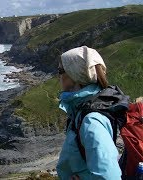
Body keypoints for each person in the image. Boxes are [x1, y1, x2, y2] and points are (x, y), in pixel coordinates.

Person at [56, 46, 124, 179]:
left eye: (60, 70)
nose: (58, 76)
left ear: (74, 74)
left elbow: (109, 176)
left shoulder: (91, 120)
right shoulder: (81, 110)